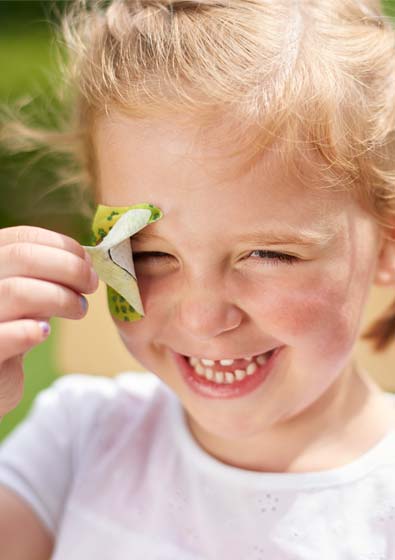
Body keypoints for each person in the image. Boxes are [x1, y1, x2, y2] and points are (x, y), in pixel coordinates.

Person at [1, 0, 395, 557]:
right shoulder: (75, 440)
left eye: (268, 254)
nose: (204, 317)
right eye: (146, 254)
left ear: (388, 239)